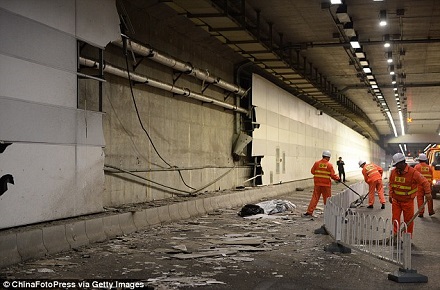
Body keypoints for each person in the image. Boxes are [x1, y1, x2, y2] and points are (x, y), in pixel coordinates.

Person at [388, 153, 432, 237]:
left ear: (402, 162)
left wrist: (428, 193)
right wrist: (390, 194)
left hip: (407, 202)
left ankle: (407, 238)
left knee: (408, 221)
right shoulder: (394, 172)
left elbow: (425, 182)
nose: (396, 167)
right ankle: (395, 236)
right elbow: (391, 184)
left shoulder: (413, 173)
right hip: (396, 201)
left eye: (397, 165)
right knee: (395, 219)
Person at [304, 150, 340, 216]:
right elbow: (332, 175)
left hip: (317, 184)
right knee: (327, 199)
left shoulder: (316, 163)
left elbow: (312, 172)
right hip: (326, 185)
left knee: (315, 198)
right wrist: (338, 179)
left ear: (323, 156)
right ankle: (328, 212)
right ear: (328, 157)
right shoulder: (329, 165)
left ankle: (309, 212)